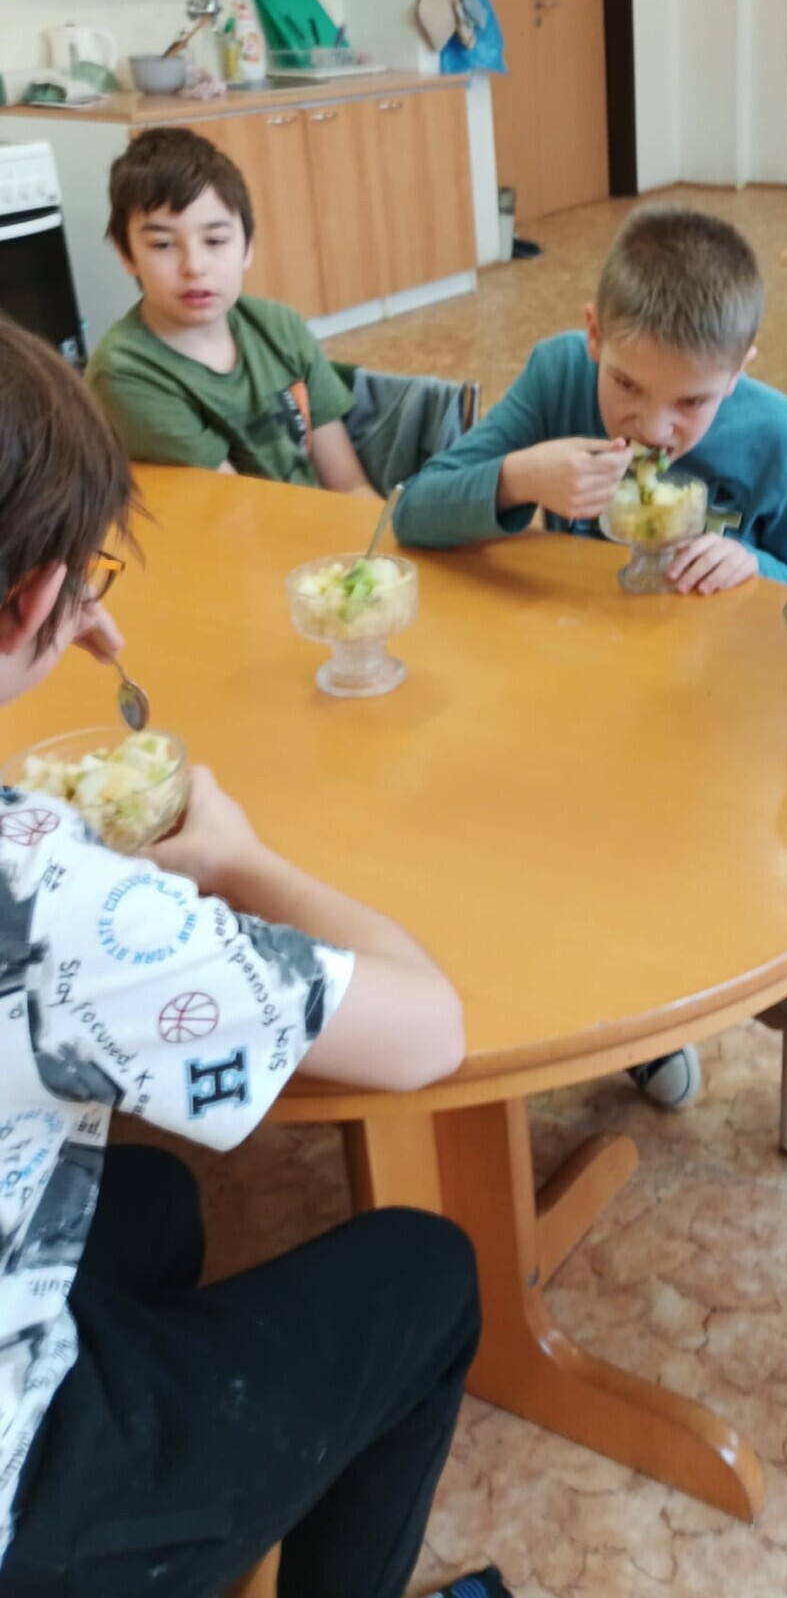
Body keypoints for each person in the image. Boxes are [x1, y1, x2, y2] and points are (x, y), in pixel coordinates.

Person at [0, 316, 505, 1597]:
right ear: (39, 599)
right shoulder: (54, 904)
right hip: (18, 1502)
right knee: (426, 1274)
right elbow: (426, 1028)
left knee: (156, 1205)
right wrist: (240, 860)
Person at [397, 205, 787, 1114]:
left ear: (741, 370)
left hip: (708, 730)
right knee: (535, 843)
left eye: (692, 403)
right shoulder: (558, 375)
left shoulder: (782, 441)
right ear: (593, 334)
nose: (654, 425)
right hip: (570, 707)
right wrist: (521, 477)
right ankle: (632, 1019)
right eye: (627, 384)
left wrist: (760, 567)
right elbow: (416, 511)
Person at [86, 127, 378, 498]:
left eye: (215, 240)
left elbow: (349, 484)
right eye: (163, 244)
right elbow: (240, 514)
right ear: (126, 254)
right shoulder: (125, 372)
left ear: (247, 247)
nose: (194, 266)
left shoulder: (280, 326)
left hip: (316, 525)